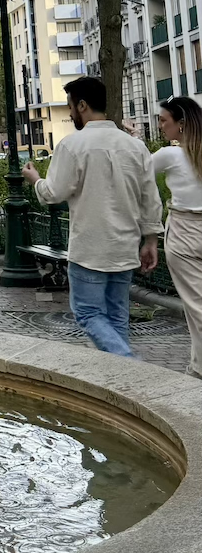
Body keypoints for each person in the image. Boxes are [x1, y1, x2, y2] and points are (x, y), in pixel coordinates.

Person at [23, 76, 161, 357]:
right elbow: (150, 198)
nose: (71, 113)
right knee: (117, 316)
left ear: (82, 105)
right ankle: (120, 383)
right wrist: (151, 240)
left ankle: (131, 367)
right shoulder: (135, 147)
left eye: (71, 106)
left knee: (87, 313)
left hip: (90, 247)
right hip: (124, 245)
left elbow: (54, 193)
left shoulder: (72, 146)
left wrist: (35, 179)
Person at [153, 97, 202, 377]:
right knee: (196, 310)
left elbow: (136, 170)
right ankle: (197, 370)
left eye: (163, 120)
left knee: (196, 307)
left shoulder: (170, 155)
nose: (160, 126)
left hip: (184, 231)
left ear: (181, 124)